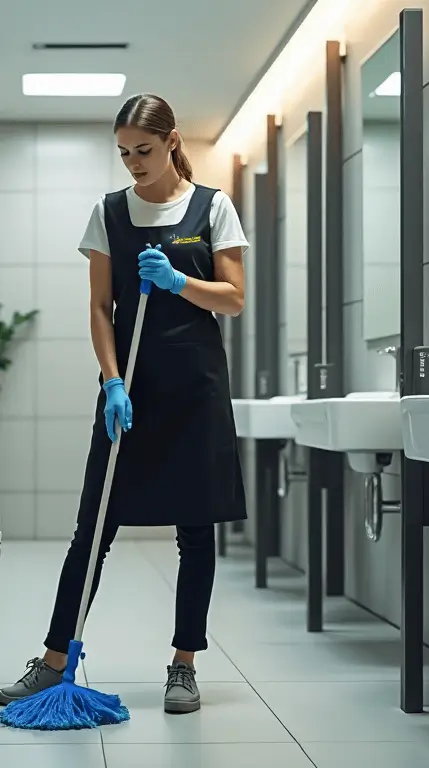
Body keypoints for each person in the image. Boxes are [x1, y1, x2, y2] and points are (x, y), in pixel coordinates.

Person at [0, 94, 248, 715]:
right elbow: (99, 309)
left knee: (195, 529)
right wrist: (111, 381)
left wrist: (178, 282)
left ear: (171, 142)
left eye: (142, 150)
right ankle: (55, 660)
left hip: (196, 390)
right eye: (123, 153)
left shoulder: (212, 205)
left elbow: (235, 298)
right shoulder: (109, 212)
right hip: (130, 394)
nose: (133, 164)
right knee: (94, 526)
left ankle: (184, 665)